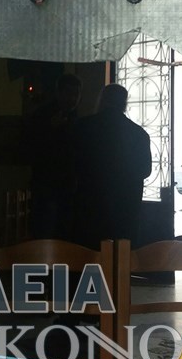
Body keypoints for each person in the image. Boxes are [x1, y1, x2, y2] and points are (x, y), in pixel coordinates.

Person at [71, 83, 152, 249]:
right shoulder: (139, 133)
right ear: (124, 103)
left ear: (102, 100)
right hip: (126, 206)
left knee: (90, 252)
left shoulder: (82, 127)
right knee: (122, 254)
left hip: (90, 203)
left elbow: (72, 163)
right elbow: (145, 170)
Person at [26, 73, 82, 239]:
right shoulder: (43, 116)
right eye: (69, 93)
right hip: (46, 184)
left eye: (76, 94)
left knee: (63, 231)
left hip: (68, 184)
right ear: (58, 92)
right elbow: (29, 147)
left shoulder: (74, 117)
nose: (73, 98)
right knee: (46, 231)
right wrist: (50, 128)